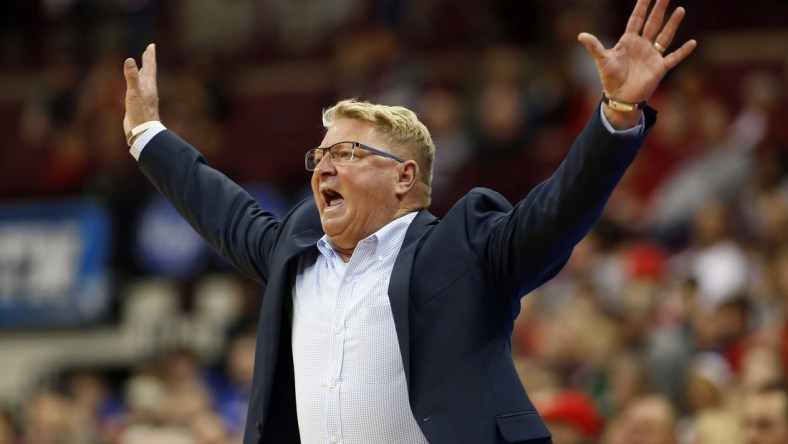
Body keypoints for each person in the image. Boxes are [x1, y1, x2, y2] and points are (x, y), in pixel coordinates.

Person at [121, 0, 695, 442]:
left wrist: (616, 115)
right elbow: (221, 206)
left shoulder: (464, 247)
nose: (324, 167)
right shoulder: (295, 250)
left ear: (404, 177)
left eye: (345, 154)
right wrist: (148, 133)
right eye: (320, 156)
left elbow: (558, 209)